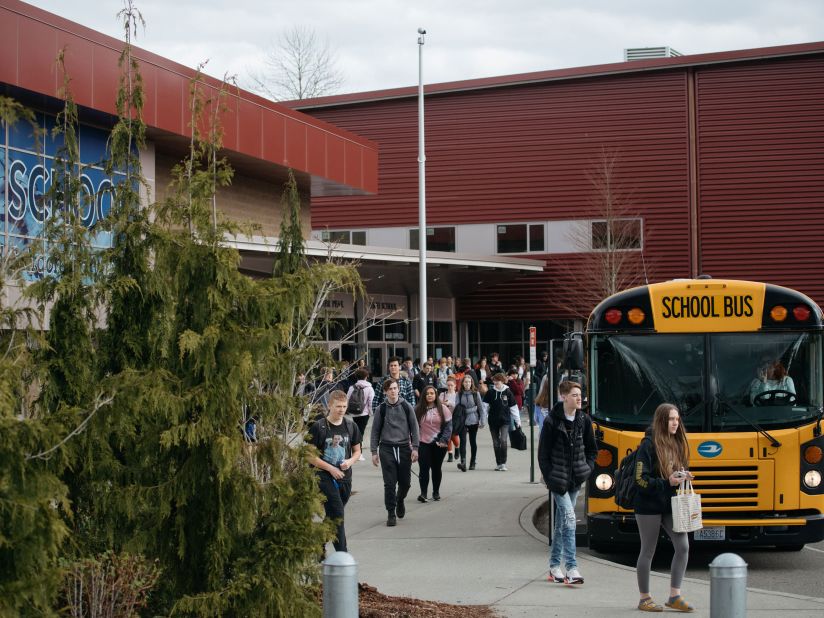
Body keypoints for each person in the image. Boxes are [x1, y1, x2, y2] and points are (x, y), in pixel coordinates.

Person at [633, 403, 695, 612]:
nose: (675, 423)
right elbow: (640, 480)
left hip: (670, 504)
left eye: (677, 419)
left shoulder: (676, 444)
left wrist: (683, 476)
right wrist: (667, 482)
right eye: (671, 419)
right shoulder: (648, 445)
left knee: (683, 546)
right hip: (648, 505)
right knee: (648, 550)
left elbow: (673, 472)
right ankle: (644, 599)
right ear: (661, 421)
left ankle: (674, 596)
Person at [537, 380, 596, 585]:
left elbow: (592, 450)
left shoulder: (584, 420)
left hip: (575, 480)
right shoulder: (552, 421)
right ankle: (571, 567)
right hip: (558, 480)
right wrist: (550, 476)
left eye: (580, 394)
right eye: (574, 394)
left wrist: (586, 469)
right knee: (570, 519)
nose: (579, 398)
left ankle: (554, 566)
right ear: (563, 396)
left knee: (563, 523)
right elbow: (543, 454)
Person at [307, 390, 362, 553]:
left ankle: (319, 540)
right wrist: (330, 468)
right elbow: (309, 455)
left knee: (333, 515)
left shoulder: (351, 426)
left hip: (345, 477)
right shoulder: (319, 427)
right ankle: (343, 557)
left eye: (344, 406)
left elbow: (357, 451)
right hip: (324, 476)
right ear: (329, 405)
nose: (341, 409)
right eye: (338, 406)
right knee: (338, 514)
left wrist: (349, 461)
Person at [370, 378, 420, 527]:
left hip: (404, 448)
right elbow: (375, 432)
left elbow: (415, 428)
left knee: (405, 483)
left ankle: (400, 500)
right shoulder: (381, 409)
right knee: (389, 483)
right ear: (385, 392)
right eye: (390, 389)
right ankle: (391, 513)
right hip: (387, 448)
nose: (393, 391)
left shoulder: (406, 407)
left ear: (399, 389)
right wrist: (374, 451)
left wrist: (415, 448)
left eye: (395, 388)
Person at [415, 385, 452, 502]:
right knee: (424, 468)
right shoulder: (418, 409)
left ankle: (436, 492)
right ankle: (423, 493)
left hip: (439, 444)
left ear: (435, 395)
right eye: (427, 393)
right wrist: (412, 444)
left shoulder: (443, 409)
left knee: (436, 468)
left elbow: (449, 426)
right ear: (423, 396)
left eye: (432, 393)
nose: (429, 395)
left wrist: (444, 440)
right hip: (423, 442)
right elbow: (413, 427)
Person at [483, 373, 520, 471]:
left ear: (502, 381)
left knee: (503, 441)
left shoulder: (508, 392)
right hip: (493, 420)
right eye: (494, 381)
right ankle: (498, 463)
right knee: (496, 442)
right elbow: (485, 407)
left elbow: (513, 407)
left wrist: (518, 420)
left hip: (505, 420)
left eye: (497, 382)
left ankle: (503, 463)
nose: (495, 383)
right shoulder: (490, 392)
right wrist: (483, 419)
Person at [457, 374, 486, 470]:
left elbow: (481, 408)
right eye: (465, 382)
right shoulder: (459, 394)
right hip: (462, 421)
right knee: (463, 442)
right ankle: (463, 462)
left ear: (471, 383)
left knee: (472, 441)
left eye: (469, 382)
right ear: (462, 383)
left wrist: (483, 420)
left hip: (474, 420)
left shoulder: (475, 393)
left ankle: (473, 461)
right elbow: (457, 409)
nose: (467, 383)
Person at [347, 368, 374, 460]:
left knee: (356, 431)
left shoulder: (352, 387)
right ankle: (359, 453)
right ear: (366, 377)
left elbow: (347, 399)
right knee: (360, 433)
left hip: (354, 413)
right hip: (364, 413)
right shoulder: (369, 388)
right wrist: (370, 413)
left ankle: (355, 452)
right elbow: (371, 402)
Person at [439, 375, 460, 462]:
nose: (450, 387)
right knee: (447, 436)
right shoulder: (442, 394)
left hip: (455, 418)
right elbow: (438, 405)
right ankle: (450, 454)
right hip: (445, 418)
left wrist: (451, 404)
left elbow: (459, 406)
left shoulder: (458, 395)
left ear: (455, 385)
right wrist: (443, 403)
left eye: (451, 385)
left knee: (454, 436)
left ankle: (457, 447)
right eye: (448, 385)